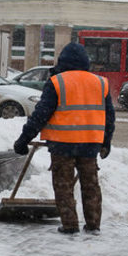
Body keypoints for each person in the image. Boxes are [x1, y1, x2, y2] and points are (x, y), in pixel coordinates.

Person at [13, 43, 115, 235]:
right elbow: (109, 117)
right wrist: (106, 142)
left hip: (63, 145)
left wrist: (23, 139)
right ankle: (93, 225)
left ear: (63, 62)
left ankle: (70, 225)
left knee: (63, 186)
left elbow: (41, 114)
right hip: (90, 145)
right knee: (91, 185)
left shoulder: (57, 82)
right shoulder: (100, 83)